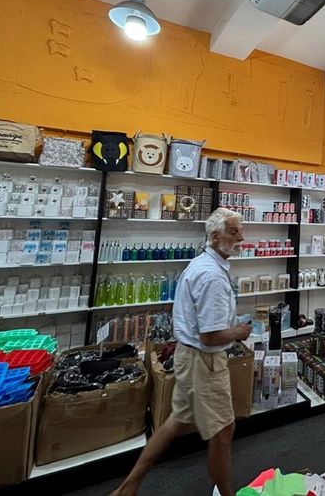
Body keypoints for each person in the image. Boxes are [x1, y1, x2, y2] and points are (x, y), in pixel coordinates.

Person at [112, 208, 251, 496]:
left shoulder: (201, 264)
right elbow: (210, 336)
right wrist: (238, 332)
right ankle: (226, 493)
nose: (241, 238)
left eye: (240, 231)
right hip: (205, 363)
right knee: (223, 431)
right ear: (215, 237)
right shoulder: (212, 277)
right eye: (234, 232)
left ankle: (129, 485)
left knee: (177, 421)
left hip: (188, 356)